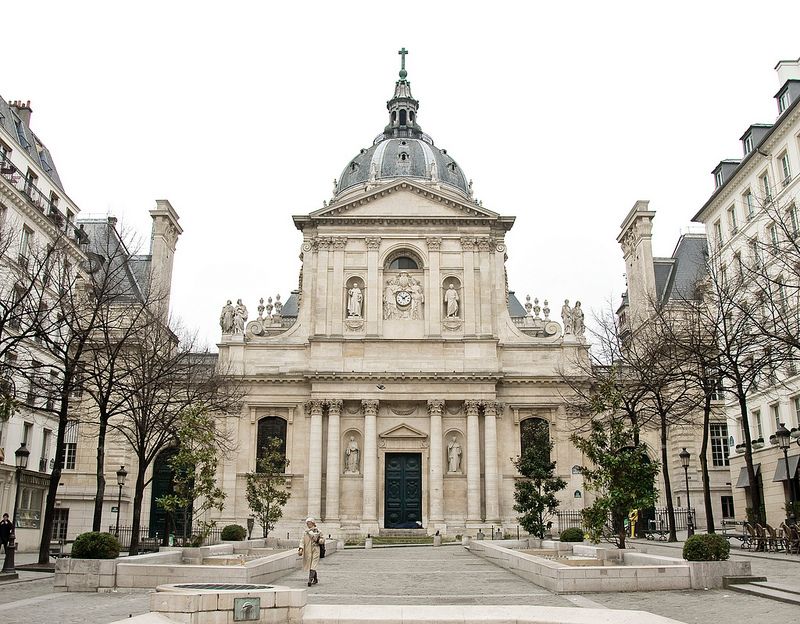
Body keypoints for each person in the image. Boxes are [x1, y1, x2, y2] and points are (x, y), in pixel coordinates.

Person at [298, 517, 322, 586]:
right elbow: (302, 541)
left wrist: (319, 541)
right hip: (308, 550)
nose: (308, 525)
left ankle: (310, 580)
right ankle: (315, 578)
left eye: (309, 524)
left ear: (313, 523)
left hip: (316, 549)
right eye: (307, 524)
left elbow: (322, 539)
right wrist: (301, 549)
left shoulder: (318, 531)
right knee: (311, 565)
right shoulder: (305, 532)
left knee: (313, 564)